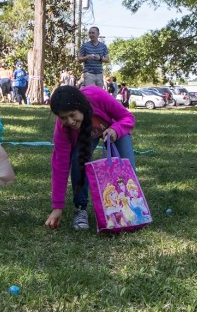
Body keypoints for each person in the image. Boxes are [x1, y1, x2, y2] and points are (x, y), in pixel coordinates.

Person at [44, 85, 136, 231]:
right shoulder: (63, 128)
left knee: (126, 167)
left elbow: (128, 117)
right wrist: (57, 206)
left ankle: (128, 206)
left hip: (114, 128)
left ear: (81, 106)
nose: (70, 121)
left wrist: (116, 130)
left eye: (73, 115)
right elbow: (60, 165)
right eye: (63, 118)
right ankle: (81, 209)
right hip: (86, 136)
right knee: (77, 160)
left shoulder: (96, 95)